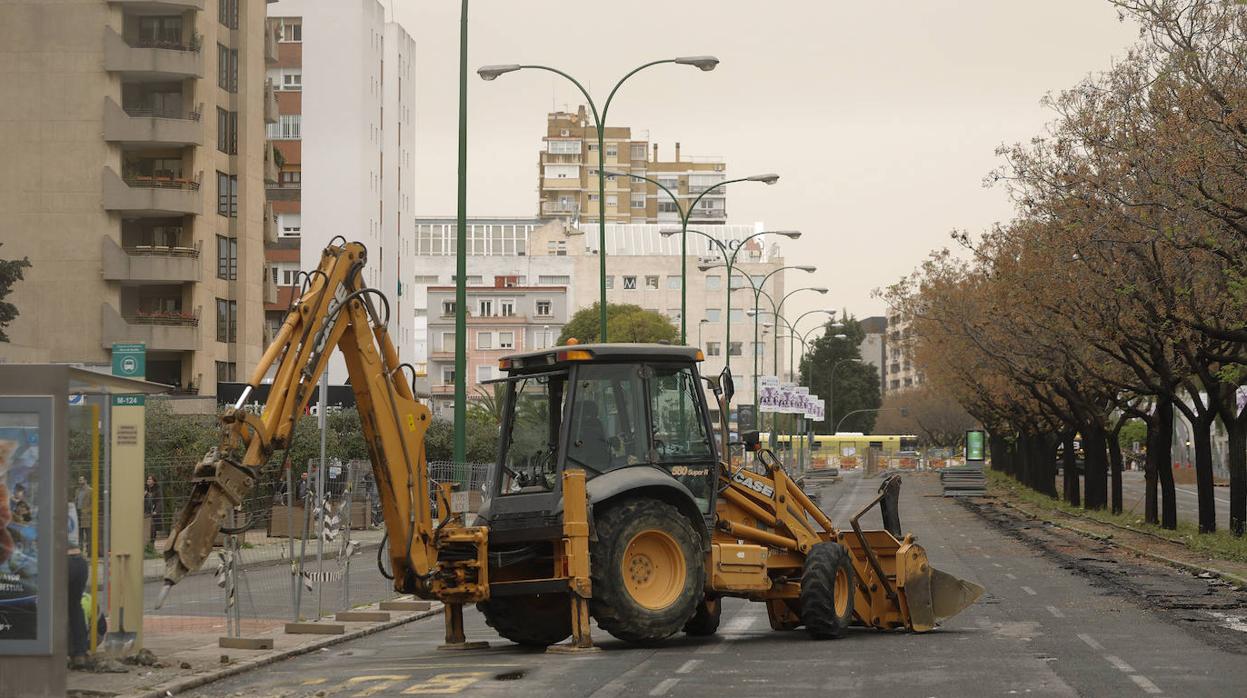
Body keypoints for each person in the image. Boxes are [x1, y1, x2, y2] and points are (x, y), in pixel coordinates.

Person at [67, 543, 89, 669]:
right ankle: (79, 653)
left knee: (55, 608)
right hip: (80, 561)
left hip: (62, 560)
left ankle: (60, 652)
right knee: (75, 607)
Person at [74, 476, 92, 554]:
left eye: (81, 479)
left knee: (88, 534)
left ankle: (90, 551)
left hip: (86, 514)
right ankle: (80, 551)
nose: (80, 481)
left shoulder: (90, 490)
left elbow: (93, 503)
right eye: (79, 480)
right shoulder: (77, 491)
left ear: (85, 480)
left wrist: (87, 511)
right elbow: (76, 501)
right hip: (78, 513)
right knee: (80, 534)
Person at [143, 475, 162, 545]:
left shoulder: (157, 490)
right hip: (144, 512)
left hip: (153, 513)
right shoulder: (144, 489)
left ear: (154, 481)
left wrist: (156, 511)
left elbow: (159, 502)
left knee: (153, 529)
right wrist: (143, 495)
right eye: (147, 479)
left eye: (150, 479)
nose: (148, 480)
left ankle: (151, 545)